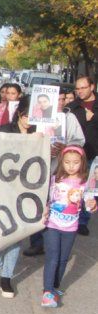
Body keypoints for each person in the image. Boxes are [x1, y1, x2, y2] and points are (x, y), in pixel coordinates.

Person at [24, 91, 85, 256]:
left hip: (61, 171)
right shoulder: (36, 117)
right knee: (38, 204)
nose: (60, 102)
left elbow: (80, 141)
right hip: (39, 168)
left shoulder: (69, 118)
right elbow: (25, 138)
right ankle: (36, 242)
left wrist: (66, 148)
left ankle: (55, 241)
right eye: (57, 99)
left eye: (63, 99)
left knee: (57, 203)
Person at [40, 146, 97, 307]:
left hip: (71, 227)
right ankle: (47, 291)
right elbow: (43, 196)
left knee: (63, 259)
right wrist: (44, 207)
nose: (71, 166)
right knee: (53, 257)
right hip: (51, 224)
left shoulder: (85, 182)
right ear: (61, 162)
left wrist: (92, 205)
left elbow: (89, 204)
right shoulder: (54, 179)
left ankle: (54, 287)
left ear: (82, 162)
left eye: (75, 162)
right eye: (67, 162)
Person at [66, 75, 97, 236]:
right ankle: (70, 214)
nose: (80, 91)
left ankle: (83, 221)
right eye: (77, 89)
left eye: (83, 88)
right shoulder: (72, 107)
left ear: (92, 87)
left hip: (94, 153)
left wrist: (94, 118)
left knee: (90, 187)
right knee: (74, 185)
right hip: (75, 154)